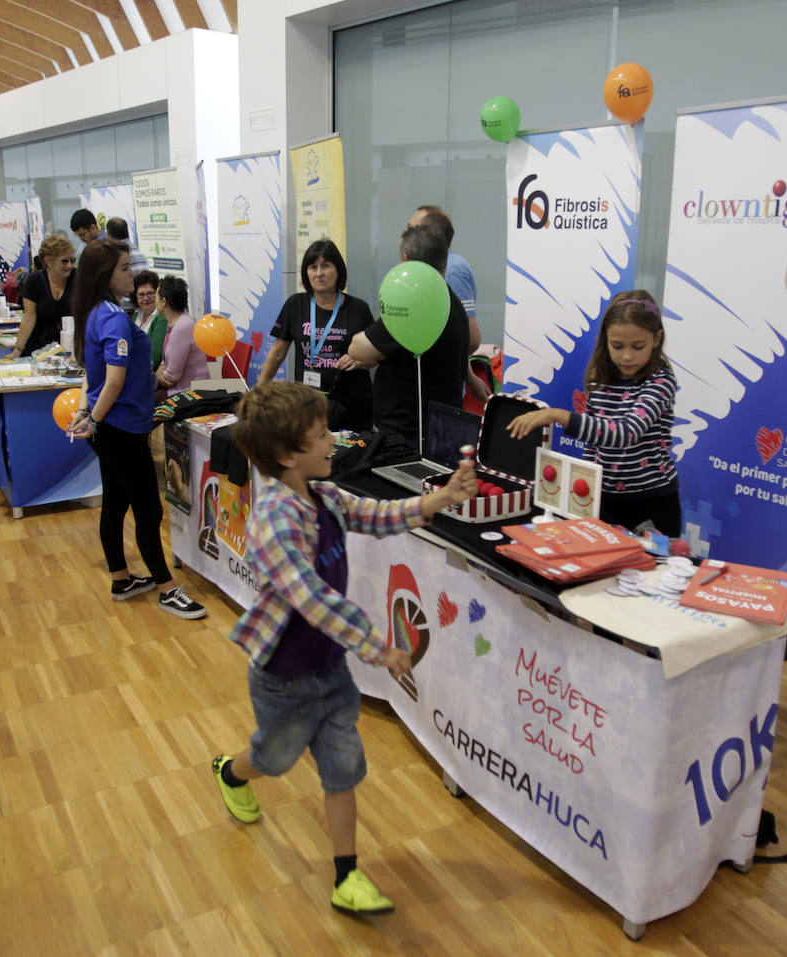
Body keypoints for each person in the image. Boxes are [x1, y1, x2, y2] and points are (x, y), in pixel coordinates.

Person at [211, 379, 478, 915]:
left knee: (342, 766)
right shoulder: (274, 521)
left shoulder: (325, 495)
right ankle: (231, 772)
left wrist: (439, 499)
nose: (333, 440)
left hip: (329, 668)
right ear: (288, 455)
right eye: (321, 434)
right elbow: (312, 599)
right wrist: (378, 646)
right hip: (284, 676)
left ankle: (346, 875)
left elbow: (375, 516)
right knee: (275, 756)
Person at [66, 239, 207, 620]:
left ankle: (122, 579)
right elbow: (112, 382)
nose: (133, 273)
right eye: (125, 268)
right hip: (121, 429)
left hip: (112, 426)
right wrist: (93, 418)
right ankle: (167, 589)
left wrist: (87, 412)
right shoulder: (112, 318)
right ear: (105, 274)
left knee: (115, 502)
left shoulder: (98, 312)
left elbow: (92, 374)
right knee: (148, 509)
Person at [506, 290, 682, 537]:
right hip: (604, 500)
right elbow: (594, 444)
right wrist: (587, 488)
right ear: (605, 340)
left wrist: (559, 416)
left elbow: (626, 433)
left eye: (638, 346)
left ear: (657, 339)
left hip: (653, 504)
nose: (627, 356)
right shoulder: (599, 380)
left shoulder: (660, 382)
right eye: (617, 346)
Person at [344, 225, 470, 443]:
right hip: (444, 429)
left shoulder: (414, 304)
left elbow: (357, 349)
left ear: (405, 259)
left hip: (407, 437)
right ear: (445, 261)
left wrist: (376, 355)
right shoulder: (451, 301)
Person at [259, 239, 375, 431]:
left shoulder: (358, 308)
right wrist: (259, 392)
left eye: (326, 266)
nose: (319, 273)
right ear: (306, 272)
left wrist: (359, 360)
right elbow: (278, 352)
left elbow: (376, 356)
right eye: (313, 267)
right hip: (308, 405)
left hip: (353, 407)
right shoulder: (295, 304)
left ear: (338, 270)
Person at [405, 205, 490, 404]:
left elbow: (470, 338)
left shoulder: (452, 270)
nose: (404, 234)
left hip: (439, 392)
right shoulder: (424, 269)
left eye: (411, 229)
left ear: (430, 234)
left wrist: (467, 376)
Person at [12, 234, 75, 357]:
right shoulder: (34, 280)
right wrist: (17, 350)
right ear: (48, 261)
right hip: (37, 347)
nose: (69, 265)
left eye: (72, 261)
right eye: (64, 261)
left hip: (70, 346)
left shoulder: (78, 278)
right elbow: (29, 317)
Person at [155, 275, 209, 395]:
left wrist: (157, 376)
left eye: (156, 296)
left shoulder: (182, 327)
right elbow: (166, 363)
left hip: (187, 392)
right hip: (179, 388)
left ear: (164, 301)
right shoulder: (176, 322)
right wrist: (159, 373)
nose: (155, 300)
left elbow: (172, 377)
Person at [131, 270, 166, 369]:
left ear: (158, 294)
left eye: (150, 293)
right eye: (141, 294)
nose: (146, 298)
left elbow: (155, 357)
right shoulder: (137, 314)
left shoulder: (162, 317)